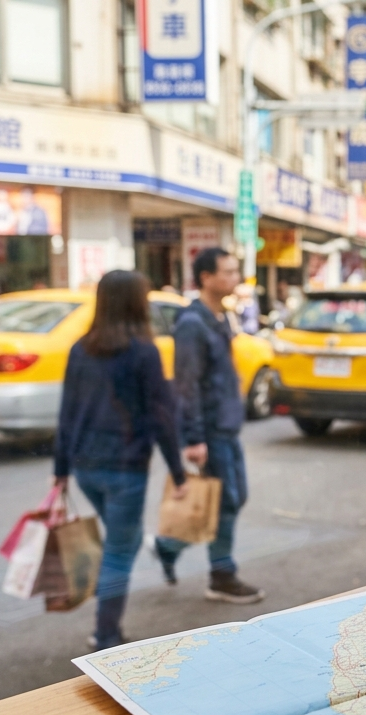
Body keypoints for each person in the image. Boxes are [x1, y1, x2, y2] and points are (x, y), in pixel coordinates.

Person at [53, 270, 187, 650]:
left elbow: (67, 412)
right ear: (136, 302)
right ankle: (106, 633)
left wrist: (61, 469)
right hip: (125, 467)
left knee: (118, 543)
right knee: (119, 548)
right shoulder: (143, 351)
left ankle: (106, 614)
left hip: (85, 466)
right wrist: (178, 473)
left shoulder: (81, 348)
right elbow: (161, 416)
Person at [153, 248, 264, 604]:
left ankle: (169, 543)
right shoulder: (192, 324)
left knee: (232, 497)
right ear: (206, 278)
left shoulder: (218, 317)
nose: (235, 278)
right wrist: (194, 438)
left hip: (227, 427)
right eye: (228, 272)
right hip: (212, 430)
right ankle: (222, 575)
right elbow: (186, 386)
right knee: (226, 502)